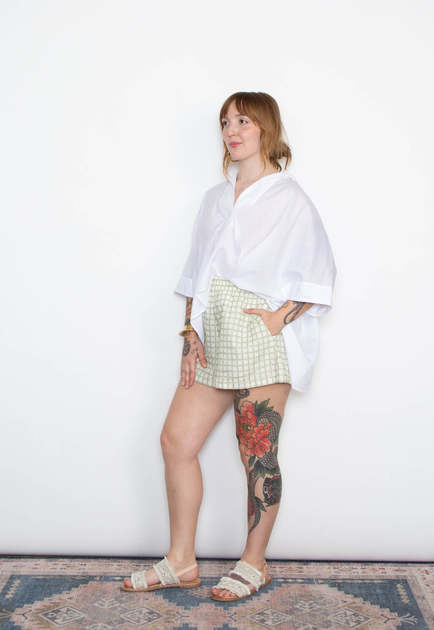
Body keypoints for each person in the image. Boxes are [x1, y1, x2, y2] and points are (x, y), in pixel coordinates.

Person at [121, 92, 337, 601]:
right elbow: (197, 273)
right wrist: (189, 335)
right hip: (213, 332)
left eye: (243, 120)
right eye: (225, 122)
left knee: (256, 453)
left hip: (260, 336)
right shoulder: (215, 199)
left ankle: (253, 563)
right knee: (176, 441)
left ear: (266, 128)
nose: (232, 130)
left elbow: (321, 273)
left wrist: (279, 317)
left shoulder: (290, 199)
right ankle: (181, 561)